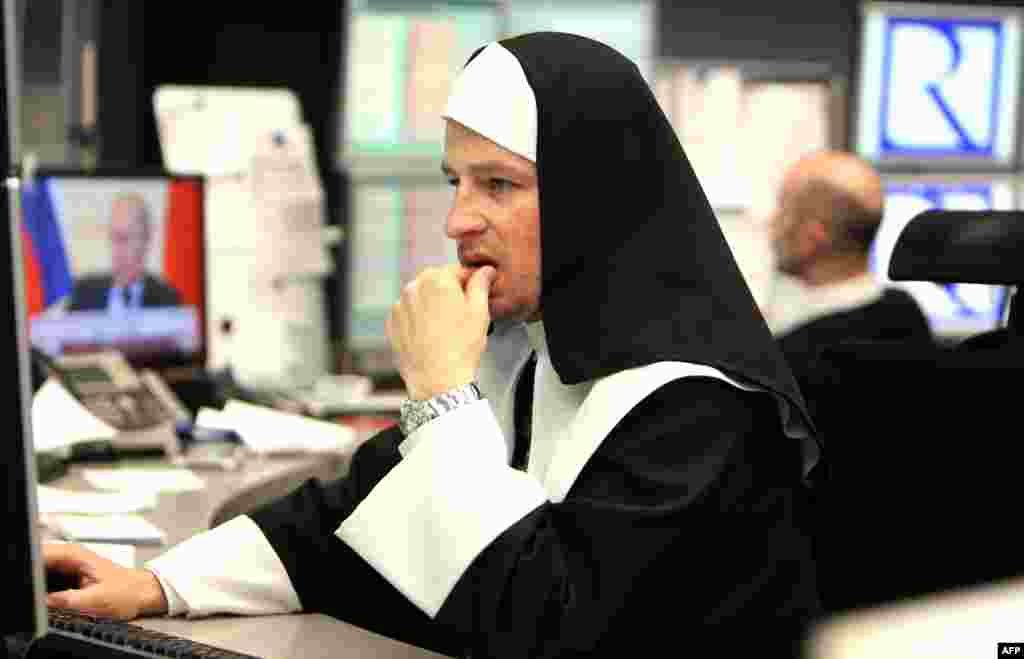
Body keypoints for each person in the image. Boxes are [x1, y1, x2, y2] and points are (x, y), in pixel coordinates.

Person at [44, 33, 823, 657]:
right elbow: (344, 519)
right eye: (456, 182)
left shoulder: (700, 406)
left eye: (498, 186)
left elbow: (546, 624)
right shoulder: (533, 356)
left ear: (594, 200)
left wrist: (444, 397)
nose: (458, 220)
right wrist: (157, 582)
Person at [767, 151, 931, 405]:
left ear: (813, 236)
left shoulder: (794, 362)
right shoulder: (906, 315)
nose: (771, 222)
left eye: (783, 208)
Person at [67, 192, 181, 312]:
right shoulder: (84, 293)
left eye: (125, 238)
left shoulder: (167, 299)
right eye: (113, 237)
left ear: (146, 240)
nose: (117, 249)